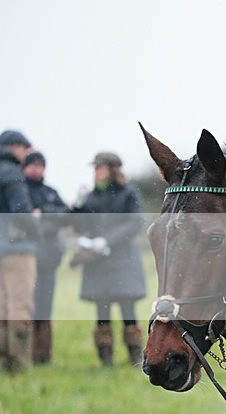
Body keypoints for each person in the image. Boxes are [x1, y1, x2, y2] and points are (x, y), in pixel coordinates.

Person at [72, 152, 146, 366]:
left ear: (112, 169)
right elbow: (80, 226)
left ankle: (135, 356)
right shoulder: (91, 197)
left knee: (127, 309)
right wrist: (77, 208)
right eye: (95, 168)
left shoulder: (128, 193)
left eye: (100, 167)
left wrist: (107, 240)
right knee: (102, 311)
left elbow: (135, 222)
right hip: (98, 263)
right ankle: (105, 358)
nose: (96, 172)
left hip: (123, 261)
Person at [23, 150, 70, 364]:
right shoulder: (19, 191)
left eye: (41, 165)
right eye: (33, 165)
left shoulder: (50, 192)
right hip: (26, 260)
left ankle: (44, 354)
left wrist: (43, 214)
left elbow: (65, 215)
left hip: (49, 261)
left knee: (45, 307)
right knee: (27, 306)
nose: (38, 169)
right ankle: (27, 352)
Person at [0, 130, 39, 374]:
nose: (26, 155)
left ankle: (3, 364)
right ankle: (20, 366)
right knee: (20, 306)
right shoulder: (12, 173)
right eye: (25, 149)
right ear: (15, 147)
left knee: (2, 306)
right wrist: (35, 221)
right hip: (16, 250)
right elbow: (21, 212)